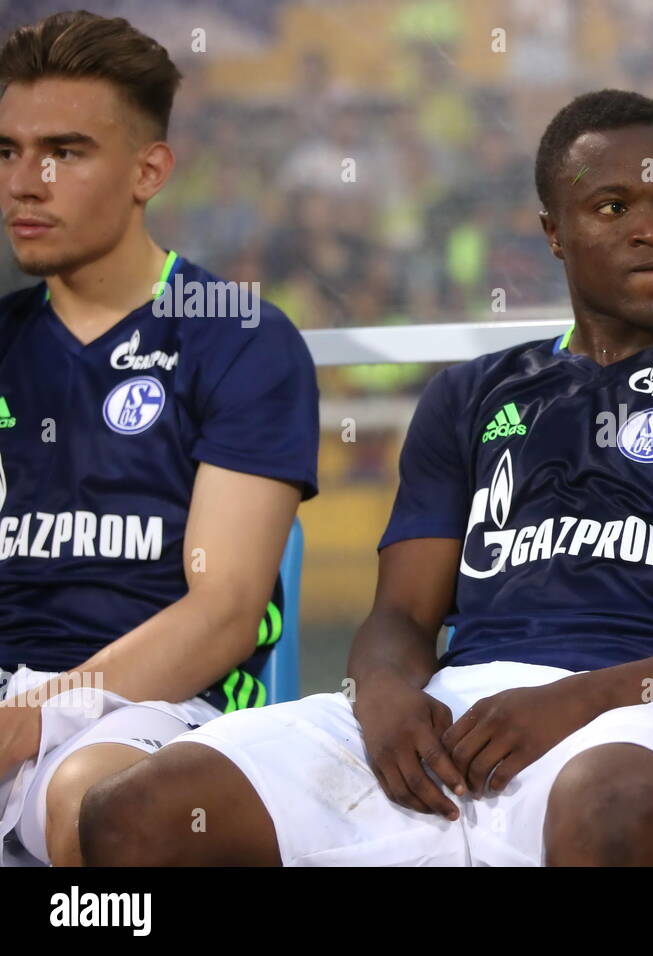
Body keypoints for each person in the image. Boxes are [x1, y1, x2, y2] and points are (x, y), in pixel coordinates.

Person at [78, 89, 653, 867]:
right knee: (134, 809)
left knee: (605, 809)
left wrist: (572, 703)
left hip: (644, 722)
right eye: (613, 207)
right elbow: (401, 618)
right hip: (460, 722)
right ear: (554, 233)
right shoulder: (470, 395)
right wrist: (384, 705)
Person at [0, 11, 318, 866]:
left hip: (158, 708)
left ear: (149, 171)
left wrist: (34, 718)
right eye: (8, 152)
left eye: (64, 152)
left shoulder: (237, 334)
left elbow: (222, 615)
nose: (27, 183)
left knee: (95, 807)